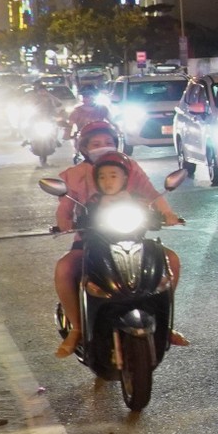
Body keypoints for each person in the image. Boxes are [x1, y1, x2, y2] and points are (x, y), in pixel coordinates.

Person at [52, 135, 186, 357]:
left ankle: (164, 323)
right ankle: (77, 328)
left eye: (114, 175)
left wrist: (167, 215)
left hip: (133, 242)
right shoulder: (90, 201)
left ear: (125, 177)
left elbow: (153, 198)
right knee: (64, 268)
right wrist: (65, 223)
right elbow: (65, 209)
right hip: (93, 246)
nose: (108, 180)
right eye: (103, 177)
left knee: (171, 259)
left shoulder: (135, 195)